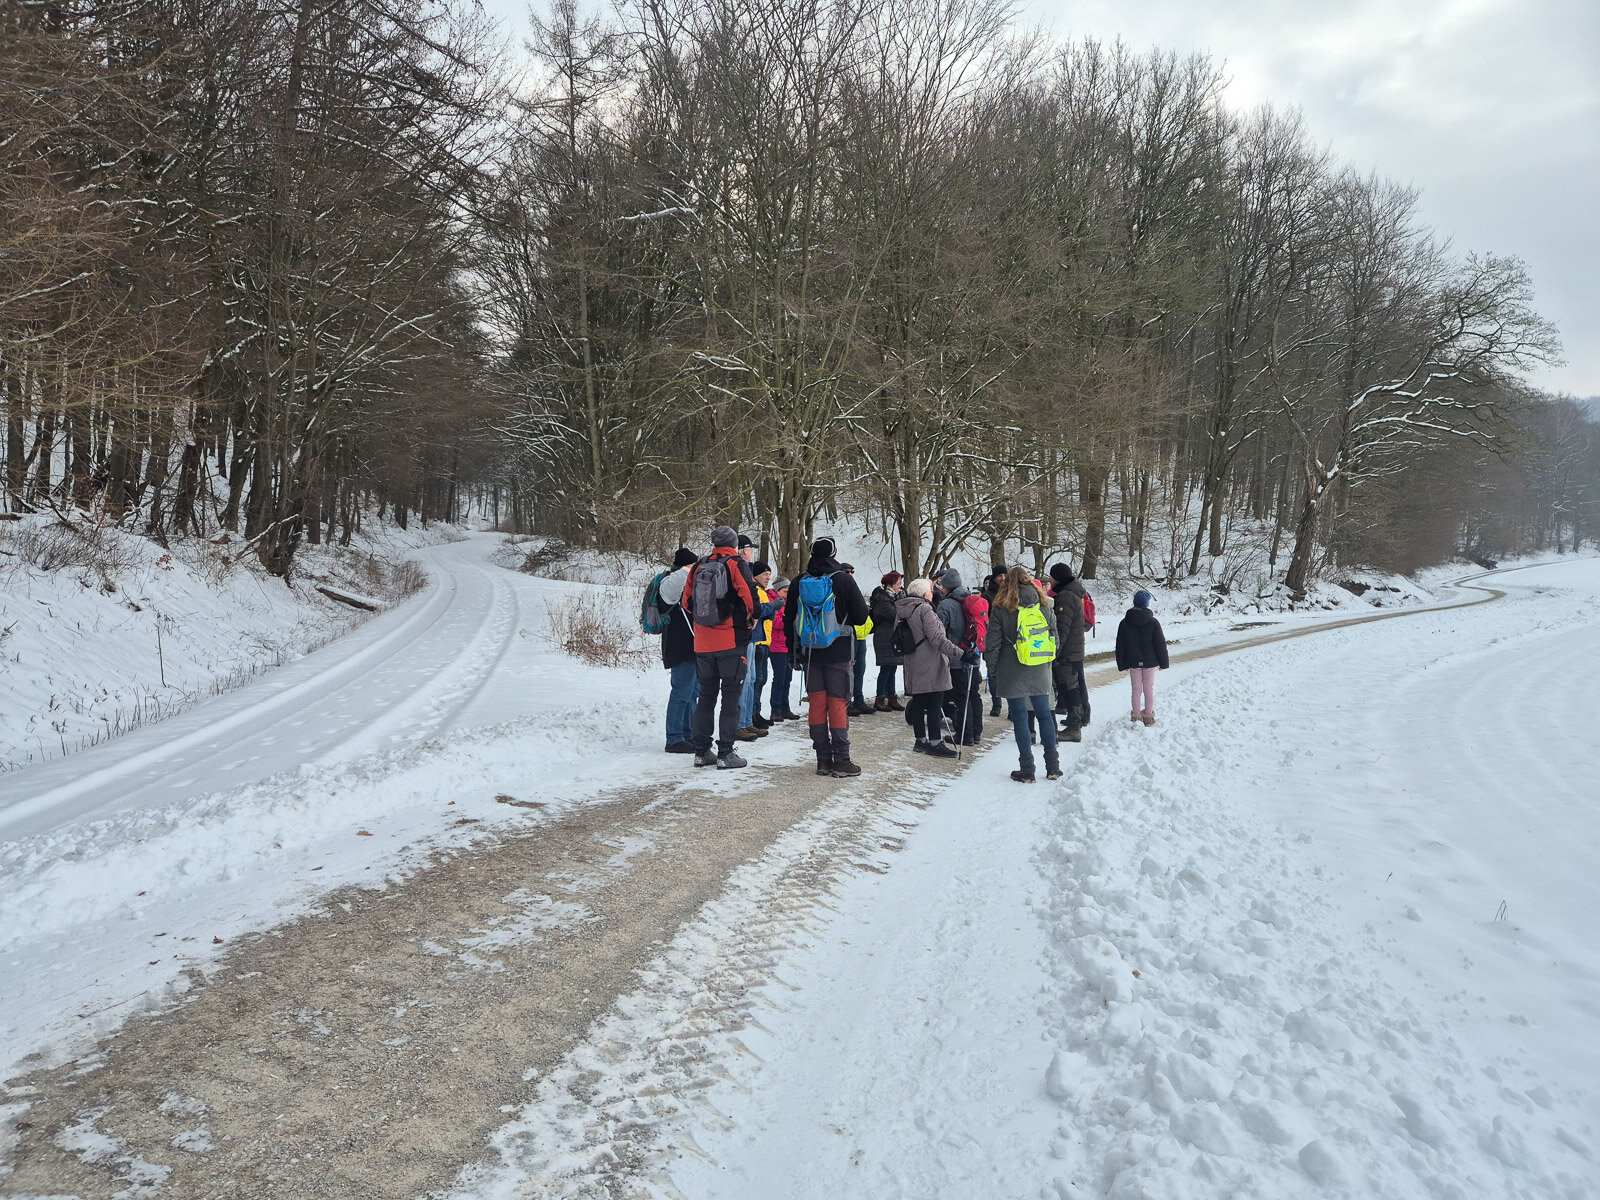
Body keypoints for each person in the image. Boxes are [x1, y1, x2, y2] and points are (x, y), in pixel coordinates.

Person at [783, 536, 870, 776]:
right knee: (838, 703)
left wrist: (793, 651)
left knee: (817, 704)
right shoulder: (843, 580)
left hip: (810, 652)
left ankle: (822, 759)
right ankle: (842, 759)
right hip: (839, 651)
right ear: (834, 554)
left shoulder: (799, 581)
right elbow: (862, 617)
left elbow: (789, 618)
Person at [684, 526, 760, 768]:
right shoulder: (736, 564)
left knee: (705, 697)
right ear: (734, 544)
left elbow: (687, 602)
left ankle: (701, 751)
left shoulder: (698, 566)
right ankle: (725, 752)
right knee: (731, 696)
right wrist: (753, 615)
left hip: (703, 643)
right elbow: (749, 595)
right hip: (731, 642)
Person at [985, 565, 1062, 782]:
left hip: (1012, 668)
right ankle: (1053, 767)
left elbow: (993, 644)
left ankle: (1027, 770)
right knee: (1045, 714)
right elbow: (1055, 639)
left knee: (1020, 718)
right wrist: (1047, 661)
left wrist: (993, 670)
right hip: (1039, 666)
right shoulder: (1044, 606)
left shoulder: (1001, 607)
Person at [893, 577, 966, 760]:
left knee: (918, 701)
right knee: (935, 702)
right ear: (926, 593)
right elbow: (938, 640)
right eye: (931, 591)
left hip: (912, 659)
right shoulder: (925, 609)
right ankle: (935, 742)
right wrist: (961, 654)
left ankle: (920, 740)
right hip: (931, 661)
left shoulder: (902, 609)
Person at [658, 547, 700, 753]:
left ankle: (687, 734)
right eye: (693, 566)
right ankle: (674, 738)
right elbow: (669, 597)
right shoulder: (672, 581)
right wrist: (687, 570)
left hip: (691, 645)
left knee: (692, 692)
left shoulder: (684, 583)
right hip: (679, 646)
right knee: (681, 692)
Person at [1048, 562, 1091, 743]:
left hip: (1067, 652)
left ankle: (1074, 727)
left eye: (1051, 577)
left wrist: (1055, 651)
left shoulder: (1065, 597)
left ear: (1057, 578)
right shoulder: (1073, 593)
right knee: (1077, 685)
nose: (1049, 580)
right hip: (1075, 649)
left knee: (1069, 688)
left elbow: (1061, 629)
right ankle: (1080, 718)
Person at [1115, 589, 1169, 726]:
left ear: (1134, 603)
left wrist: (1122, 664)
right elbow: (1160, 644)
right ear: (1147, 604)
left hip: (1133, 662)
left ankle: (1136, 715)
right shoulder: (1153, 622)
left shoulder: (1124, 622)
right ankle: (1149, 716)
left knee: (1136, 689)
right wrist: (1163, 663)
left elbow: (1120, 645)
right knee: (1148, 688)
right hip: (1150, 662)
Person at [733, 535, 768, 742]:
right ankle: (740, 723)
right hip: (744, 631)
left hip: (754, 633)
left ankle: (746, 721)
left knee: (752, 679)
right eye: (749, 549)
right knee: (744, 680)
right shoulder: (738, 568)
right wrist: (765, 609)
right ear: (742, 549)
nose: (752, 552)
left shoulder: (747, 568)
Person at [744, 561, 781, 731]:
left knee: (760, 679)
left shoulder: (762, 591)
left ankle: (755, 713)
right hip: (756, 641)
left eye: (769, 574)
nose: (768, 577)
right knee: (755, 680)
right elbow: (757, 610)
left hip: (764, 640)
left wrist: (770, 613)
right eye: (765, 574)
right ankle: (751, 714)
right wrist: (771, 609)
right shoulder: (755, 591)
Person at [839, 563, 875, 716]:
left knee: (860, 671)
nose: (850, 574)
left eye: (852, 571)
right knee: (848, 672)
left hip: (861, 636)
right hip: (849, 636)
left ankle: (858, 700)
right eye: (847, 571)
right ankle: (847, 702)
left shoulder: (855, 588)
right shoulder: (841, 589)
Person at [868, 572, 904, 710]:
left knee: (892, 667)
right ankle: (880, 698)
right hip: (884, 637)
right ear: (890, 585)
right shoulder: (882, 599)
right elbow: (895, 614)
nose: (900, 587)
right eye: (898, 584)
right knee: (886, 668)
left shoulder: (894, 597)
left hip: (893, 636)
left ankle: (891, 697)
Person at [767, 576, 801, 720]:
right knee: (779, 677)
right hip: (776, 645)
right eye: (785, 591)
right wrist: (791, 621)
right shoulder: (773, 602)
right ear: (778, 590)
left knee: (787, 677)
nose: (787, 594)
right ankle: (775, 709)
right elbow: (776, 622)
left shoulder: (788, 603)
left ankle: (785, 707)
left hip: (787, 645)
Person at [982, 564, 1007, 717]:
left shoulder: (1012, 592)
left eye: (1004, 575)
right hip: (992, 637)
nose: (1002, 578)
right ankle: (996, 703)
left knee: (1011, 672)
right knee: (992, 672)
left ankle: (1012, 706)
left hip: (1010, 637)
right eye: (999, 575)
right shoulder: (987, 595)